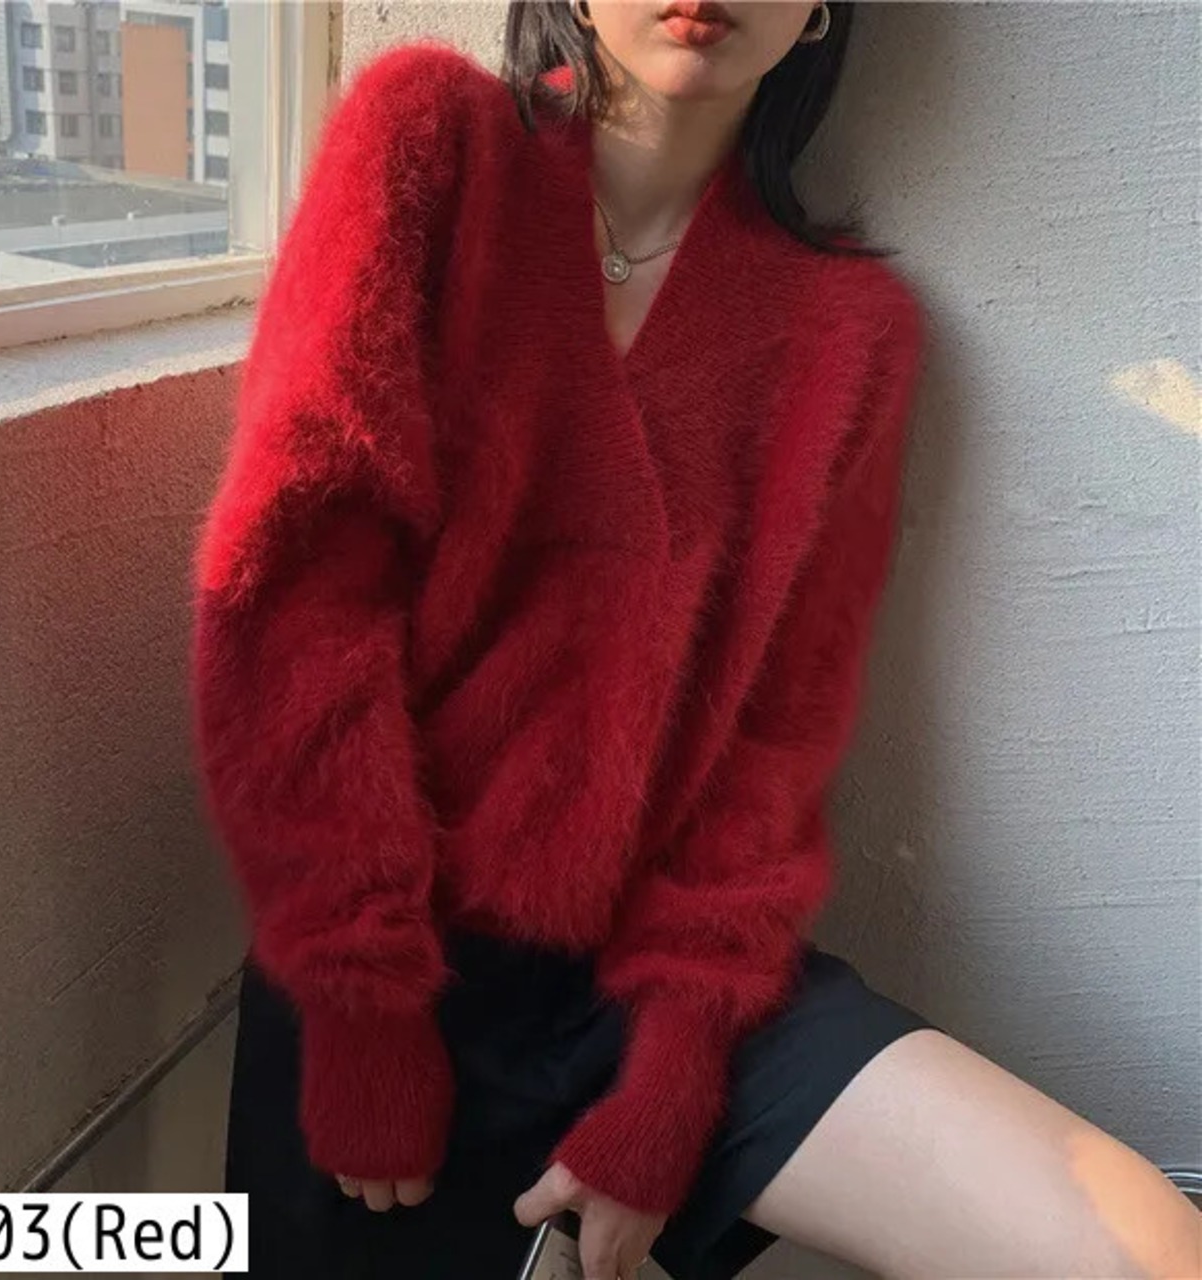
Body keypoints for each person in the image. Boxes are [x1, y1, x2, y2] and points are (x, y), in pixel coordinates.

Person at [189, 4, 1200, 1279]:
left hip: (667, 983)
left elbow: (772, 745)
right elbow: (292, 595)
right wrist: (360, 1004)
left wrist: (671, 1086)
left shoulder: (847, 329)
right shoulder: (430, 146)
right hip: (389, 968)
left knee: (1139, 1247)